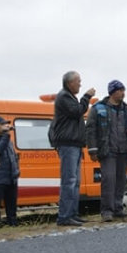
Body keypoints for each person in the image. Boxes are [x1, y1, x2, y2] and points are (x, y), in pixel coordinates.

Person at [86, 80, 127, 222]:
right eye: (120, 90)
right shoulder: (98, 108)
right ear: (113, 92)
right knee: (108, 180)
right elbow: (90, 130)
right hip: (107, 151)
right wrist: (92, 150)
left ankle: (118, 208)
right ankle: (106, 211)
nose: (123, 93)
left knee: (120, 181)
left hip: (124, 151)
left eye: (124, 90)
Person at [48, 70, 95, 226]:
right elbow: (78, 111)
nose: (80, 84)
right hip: (67, 144)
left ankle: (72, 214)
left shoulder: (68, 97)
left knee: (75, 181)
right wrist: (87, 97)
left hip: (74, 144)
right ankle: (64, 216)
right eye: (78, 81)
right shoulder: (64, 97)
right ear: (69, 83)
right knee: (69, 181)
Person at [0, 116, 20, 228]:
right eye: (2, 124)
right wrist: (6, 136)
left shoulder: (8, 139)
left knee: (12, 204)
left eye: (6, 124)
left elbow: (13, 156)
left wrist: (17, 170)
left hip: (11, 177)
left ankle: (13, 224)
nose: (5, 126)